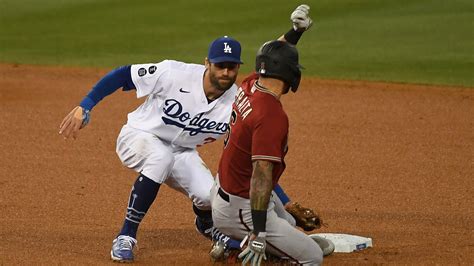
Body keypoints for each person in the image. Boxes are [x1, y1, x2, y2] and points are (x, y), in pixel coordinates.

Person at [58, 5, 318, 263]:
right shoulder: (173, 73)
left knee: (210, 197)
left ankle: (207, 225)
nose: (226, 72)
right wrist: (86, 105)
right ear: (207, 63)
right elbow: (123, 74)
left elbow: (255, 155)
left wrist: (285, 201)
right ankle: (126, 236)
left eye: (231, 67)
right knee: (160, 158)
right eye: (220, 65)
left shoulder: (237, 100)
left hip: (182, 152)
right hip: (139, 136)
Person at [210, 5, 334, 266]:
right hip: (240, 206)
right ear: (290, 73)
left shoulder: (251, 84)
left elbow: (273, 54)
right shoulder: (271, 116)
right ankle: (241, 246)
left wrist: (296, 31)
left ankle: (238, 240)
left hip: (225, 187)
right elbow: (261, 175)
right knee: (312, 258)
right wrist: (259, 233)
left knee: (288, 222)